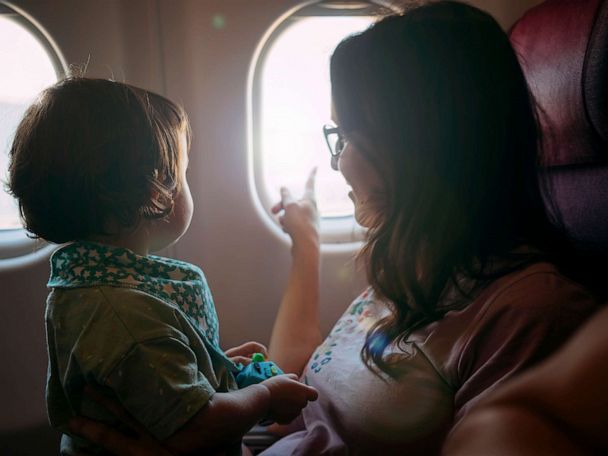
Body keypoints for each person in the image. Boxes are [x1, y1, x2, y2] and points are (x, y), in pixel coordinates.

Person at [64, 1, 601, 454]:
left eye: (347, 136)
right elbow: (308, 395)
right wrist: (306, 243)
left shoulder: (529, 312)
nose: (339, 162)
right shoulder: (418, 268)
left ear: (416, 146)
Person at [7, 77, 317, 456]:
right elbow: (197, 425)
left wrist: (212, 366)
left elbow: (150, 381)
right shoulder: (126, 315)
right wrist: (266, 395)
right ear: (157, 193)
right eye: (184, 173)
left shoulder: (94, 284)